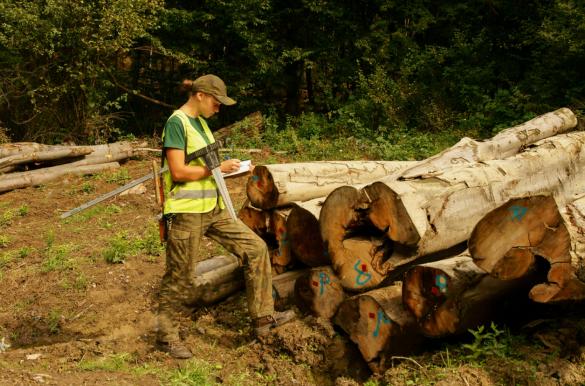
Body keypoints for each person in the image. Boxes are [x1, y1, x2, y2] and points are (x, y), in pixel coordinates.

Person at [156, 74, 296, 359]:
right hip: (187, 213)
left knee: (255, 249)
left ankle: (263, 320)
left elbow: (207, 165)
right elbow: (179, 171)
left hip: (214, 209)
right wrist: (217, 168)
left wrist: (229, 169)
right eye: (217, 102)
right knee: (179, 276)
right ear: (200, 96)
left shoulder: (202, 124)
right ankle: (166, 337)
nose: (219, 108)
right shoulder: (177, 123)